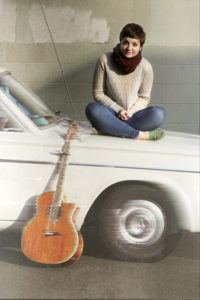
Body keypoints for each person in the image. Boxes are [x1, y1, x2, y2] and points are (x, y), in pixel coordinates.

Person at [85, 23, 166, 140]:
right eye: (125, 42)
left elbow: (144, 98)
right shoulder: (105, 59)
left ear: (140, 47)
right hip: (111, 113)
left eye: (134, 44)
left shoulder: (146, 66)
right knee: (92, 109)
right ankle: (139, 135)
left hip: (133, 115)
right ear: (120, 42)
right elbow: (98, 93)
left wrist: (130, 112)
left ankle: (107, 128)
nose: (129, 48)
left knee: (159, 114)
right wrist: (119, 110)